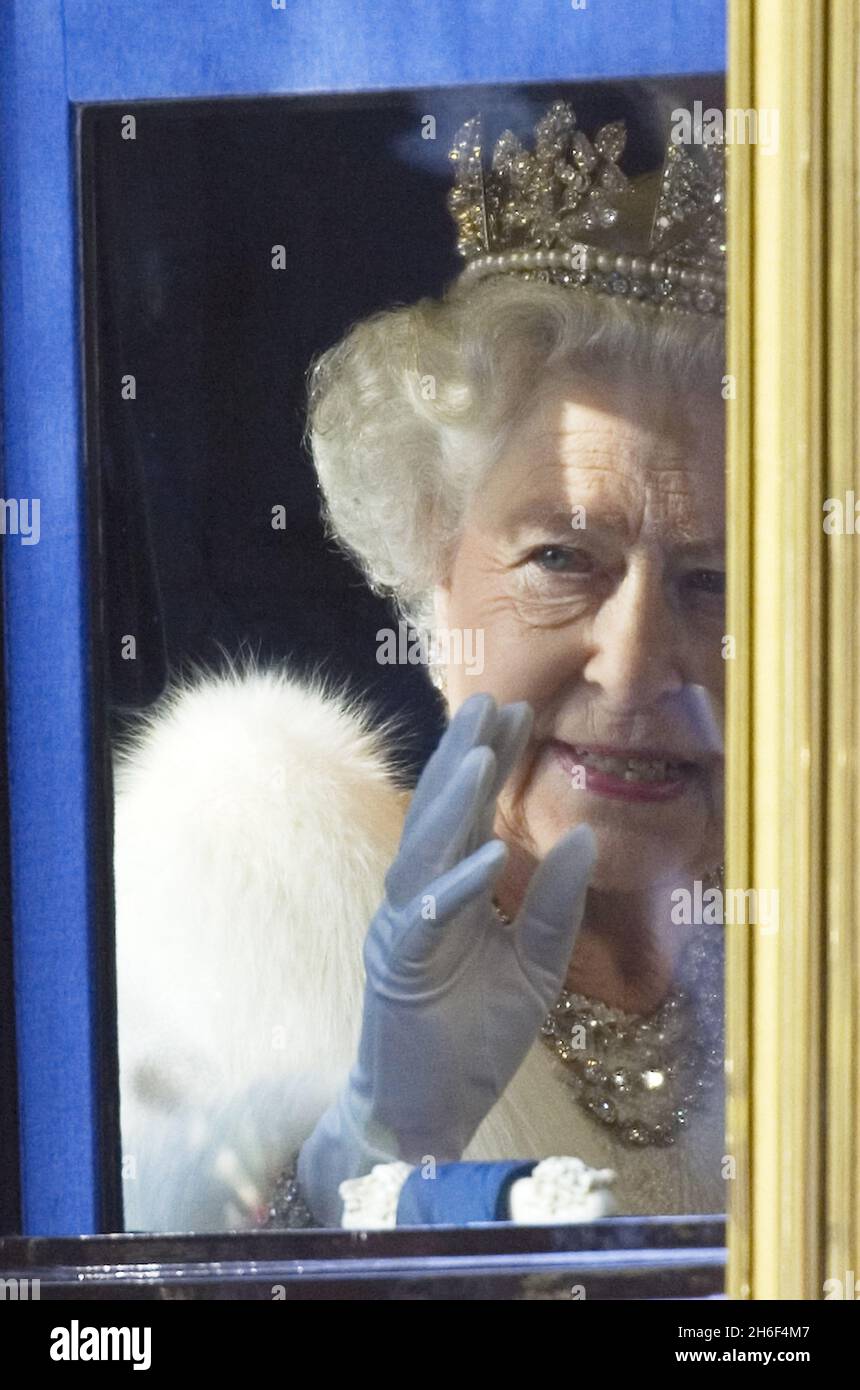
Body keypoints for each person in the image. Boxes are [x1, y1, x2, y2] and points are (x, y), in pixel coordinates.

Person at [114, 102, 727, 1232]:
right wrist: (369, 1154)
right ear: (430, 566)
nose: (638, 667)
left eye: (711, 580)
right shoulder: (255, 914)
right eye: (560, 558)